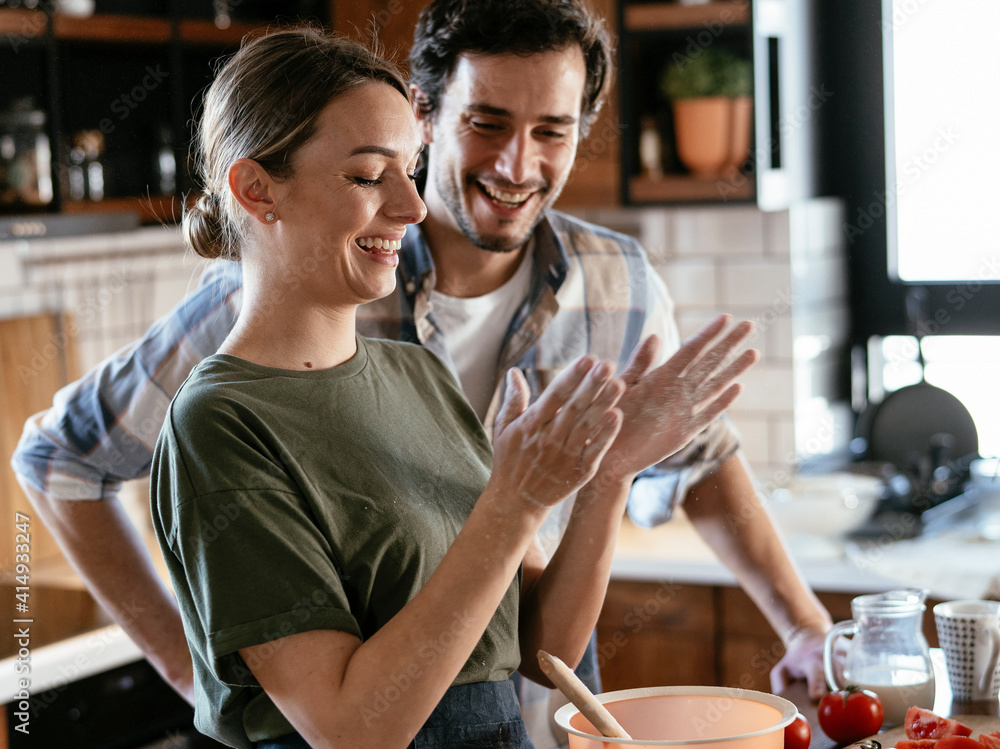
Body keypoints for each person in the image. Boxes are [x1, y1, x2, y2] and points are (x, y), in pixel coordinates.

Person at [10, 0, 829, 738]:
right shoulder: (241, 360)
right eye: (488, 123)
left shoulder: (546, 313)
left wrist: (795, 620)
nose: (516, 164)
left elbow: (680, 474)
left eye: (552, 129)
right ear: (433, 115)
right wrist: (199, 674)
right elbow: (59, 456)